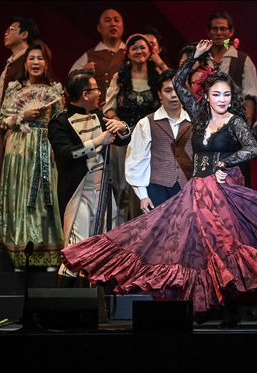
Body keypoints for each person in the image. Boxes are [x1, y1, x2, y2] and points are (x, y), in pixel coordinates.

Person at [60, 40, 257, 329]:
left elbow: (252, 150)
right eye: (216, 94)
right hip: (196, 189)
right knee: (192, 248)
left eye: (226, 95)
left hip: (224, 189)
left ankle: (229, 309)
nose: (221, 100)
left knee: (223, 248)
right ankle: (199, 307)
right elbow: (178, 85)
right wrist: (195, 57)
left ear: (232, 97)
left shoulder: (235, 122)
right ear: (208, 96)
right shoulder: (200, 118)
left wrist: (225, 163)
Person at [48, 69, 131, 286]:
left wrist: (122, 127)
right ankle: (64, 305)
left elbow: (122, 140)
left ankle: (96, 307)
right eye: (96, 88)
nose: (99, 93)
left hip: (102, 190)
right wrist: (96, 142)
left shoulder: (99, 116)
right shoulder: (60, 122)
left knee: (103, 247)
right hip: (78, 192)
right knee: (76, 248)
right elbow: (65, 155)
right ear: (85, 94)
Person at [0, 41, 64, 270]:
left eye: (40, 59)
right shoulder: (15, 89)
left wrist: (55, 144)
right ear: (25, 64)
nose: (36, 62)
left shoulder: (54, 91)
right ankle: (21, 254)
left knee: (46, 199)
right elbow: (2, 120)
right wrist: (21, 116)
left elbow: (61, 122)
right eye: (32, 59)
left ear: (46, 63)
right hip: (19, 149)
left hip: (45, 146)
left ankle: (49, 252)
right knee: (21, 200)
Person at [104, 34, 160, 223]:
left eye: (143, 47)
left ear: (150, 51)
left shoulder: (156, 78)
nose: (139, 51)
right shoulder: (119, 78)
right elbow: (109, 109)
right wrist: (120, 124)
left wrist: (160, 62)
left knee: (147, 184)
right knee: (122, 186)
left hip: (151, 140)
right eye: (134, 48)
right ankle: (120, 230)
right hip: (124, 139)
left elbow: (176, 89)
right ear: (127, 53)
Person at [205, 10, 257, 187]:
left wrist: (244, 126)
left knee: (235, 174)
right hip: (205, 125)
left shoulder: (242, 60)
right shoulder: (201, 59)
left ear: (231, 32)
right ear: (209, 32)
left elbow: (250, 96)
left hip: (233, 126)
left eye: (223, 29)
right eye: (215, 29)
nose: (219, 33)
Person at [125, 69, 193, 211]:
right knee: (161, 232)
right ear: (159, 94)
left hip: (189, 189)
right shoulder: (146, 123)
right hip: (157, 191)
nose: (174, 95)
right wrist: (143, 196)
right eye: (168, 90)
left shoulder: (194, 121)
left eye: (177, 90)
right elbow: (136, 161)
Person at [0, 17, 39, 165]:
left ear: (24, 34)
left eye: (11, 30)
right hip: (6, 126)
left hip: (21, 129)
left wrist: (16, 126)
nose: (6, 33)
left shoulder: (29, 60)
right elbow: (1, 99)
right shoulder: (11, 63)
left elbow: (34, 94)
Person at [69, 8, 125, 109]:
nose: (113, 24)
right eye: (107, 20)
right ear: (99, 28)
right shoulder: (90, 55)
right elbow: (69, 87)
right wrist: (83, 75)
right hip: (96, 113)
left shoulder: (131, 53)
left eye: (116, 20)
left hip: (125, 113)